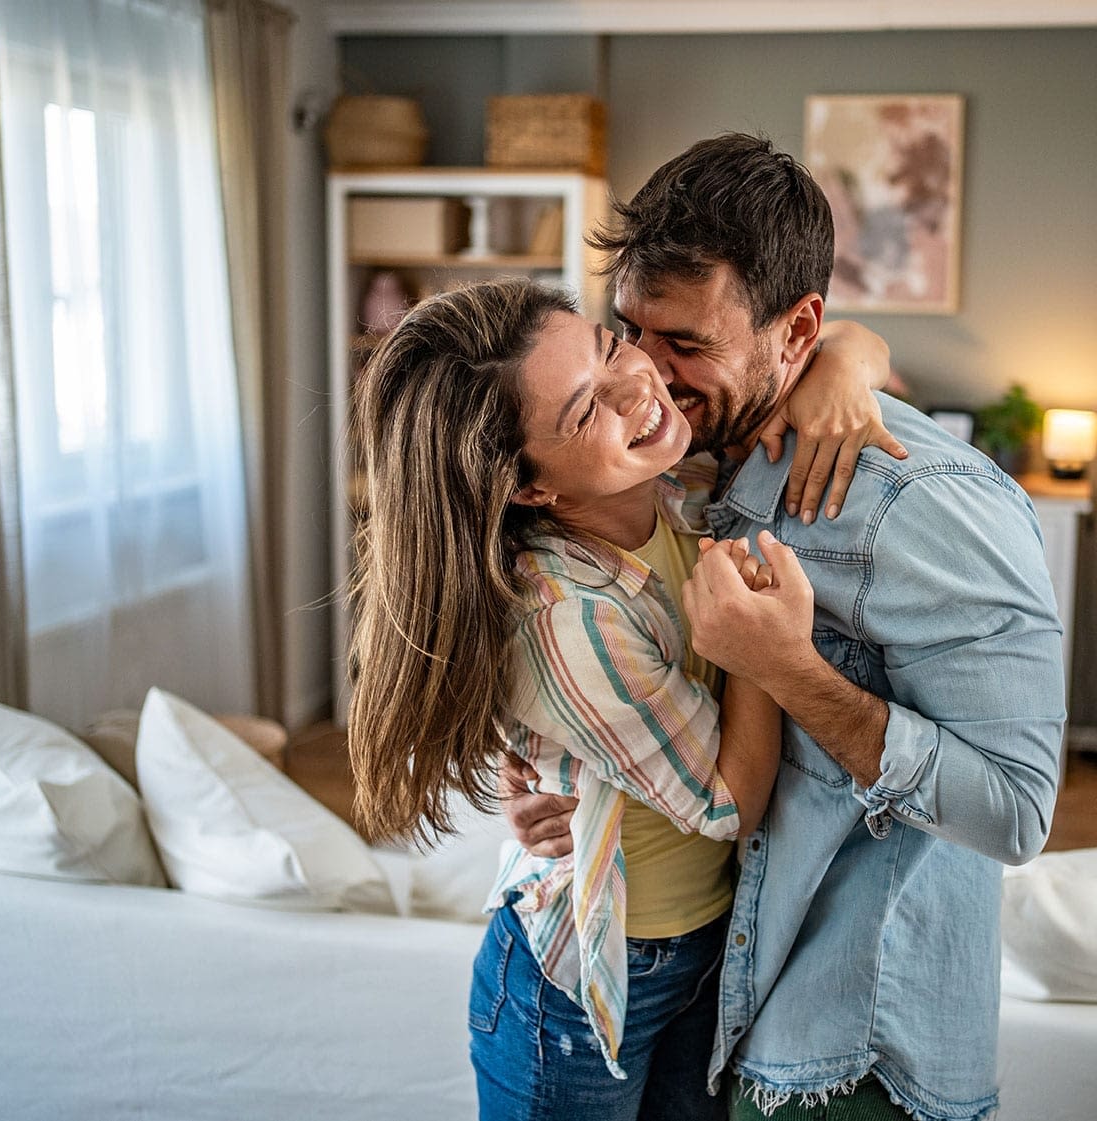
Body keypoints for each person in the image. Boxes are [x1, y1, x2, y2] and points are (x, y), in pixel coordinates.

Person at [505, 133, 1066, 1121]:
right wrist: (558, 782)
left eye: (687, 345)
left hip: (851, 1046)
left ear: (796, 326)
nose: (645, 373)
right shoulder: (687, 465)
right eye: (627, 331)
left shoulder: (922, 506)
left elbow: (1015, 811)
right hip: (722, 1006)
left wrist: (785, 667)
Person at [345, 276, 895, 1121]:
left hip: (709, 946)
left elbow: (854, 341)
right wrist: (763, 652)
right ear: (532, 488)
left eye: (609, 348)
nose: (640, 387)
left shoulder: (677, 484)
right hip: (586, 986)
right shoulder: (569, 619)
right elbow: (728, 801)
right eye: (584, 410)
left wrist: (846, 363)